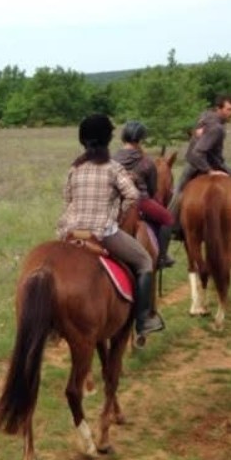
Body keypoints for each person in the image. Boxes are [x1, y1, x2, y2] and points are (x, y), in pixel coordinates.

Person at [56, 114, 165, 343]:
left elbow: (67, 200)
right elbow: (133, 195)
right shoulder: (112, 168)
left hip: (70, 233)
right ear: (106, 139)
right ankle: (143, 319)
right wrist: (118, 213)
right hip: (102, 233)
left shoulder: (74, 168)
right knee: (145, 262)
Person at [166, 94, 231, 242]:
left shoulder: (205, 116)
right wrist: (209, 171)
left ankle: (171, 227)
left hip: (201, 160)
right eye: (229, 109)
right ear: (219, 109)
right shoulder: (217, 128)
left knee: (178, 192)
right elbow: (198, 152)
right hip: (200, 163)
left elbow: (197, 134)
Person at [114, 120, 175, 268]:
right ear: (141, 139)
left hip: (116, 201)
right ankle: (162, 256)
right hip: (140, 201)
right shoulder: (147, 162)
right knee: (168, 218)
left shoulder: (112, 159)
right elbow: (153, 190)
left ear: (123, 138)